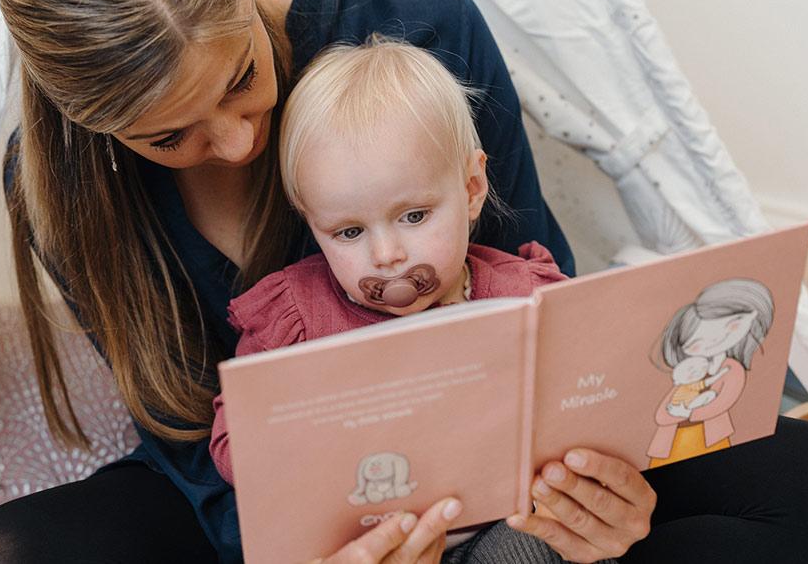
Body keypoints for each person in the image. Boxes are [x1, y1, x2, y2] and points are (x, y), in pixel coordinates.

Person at [0, 0, 808, 563]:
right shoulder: (62, 184)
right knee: (1, 557)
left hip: (507, 481)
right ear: (95, 123)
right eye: (168, 137)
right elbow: (189, 431)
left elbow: (541, 311)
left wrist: (593, 501)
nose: (240, 142)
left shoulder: (415, 21)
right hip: (264, 507)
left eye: (242, 79)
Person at [207, 38, 570, 494]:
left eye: (414, 216)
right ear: (311, 221)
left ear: (472, 187)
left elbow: (586, 395)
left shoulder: (526, 298)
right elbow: (233, 443)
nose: (386, 255)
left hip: (507, 516)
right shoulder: (296, 323)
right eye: (349, 232)